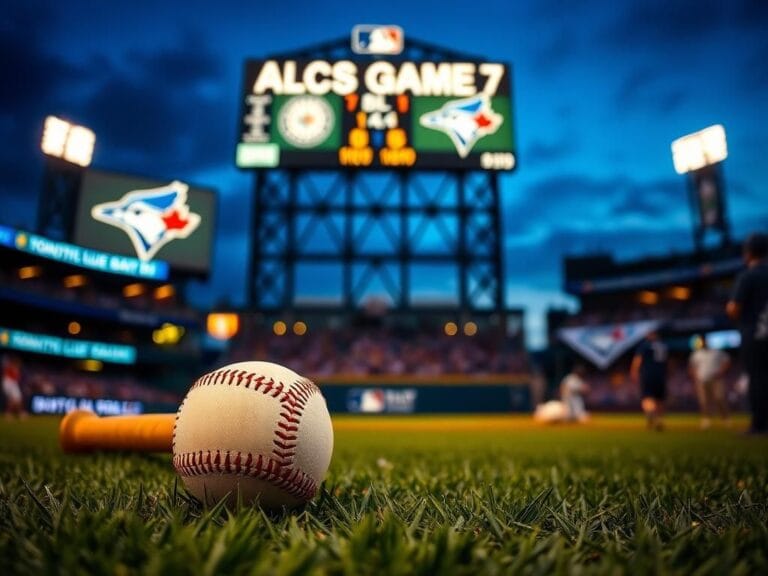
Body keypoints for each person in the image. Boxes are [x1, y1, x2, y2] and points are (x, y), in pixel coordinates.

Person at [727, 232, 768, 435]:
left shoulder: (748, 275)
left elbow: (733, 308)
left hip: (755, 333)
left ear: (748, 252)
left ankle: (760, 424)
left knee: (757, 378)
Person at [688, 335, 731, 429]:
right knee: (704, 401)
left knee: (720, 398)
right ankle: (706, 420)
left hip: (716, 379)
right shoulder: (696, 354)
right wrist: (695, 378)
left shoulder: (716, 352)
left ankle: (726, 419)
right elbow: (692, 367)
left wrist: (721, 372)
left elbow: (727, 361)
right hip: (702, 380)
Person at [630, 330, 668, 431]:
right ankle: (660, 419)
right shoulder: (663, 345)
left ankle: (651, 414)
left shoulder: (645, 345)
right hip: (661, 374)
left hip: (648, 374)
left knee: (647, 397)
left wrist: (634, 372)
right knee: (660, 399)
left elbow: (638, 359)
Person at [2, 354, 26, 419]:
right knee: (13, 400)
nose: (19, 364)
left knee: (17, 400)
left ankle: (19, 413)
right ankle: (11, 413)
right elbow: (15, 377)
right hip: (10, 383)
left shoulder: (13, 368)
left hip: (12, 383)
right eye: (17, 362)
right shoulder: (10, 367)